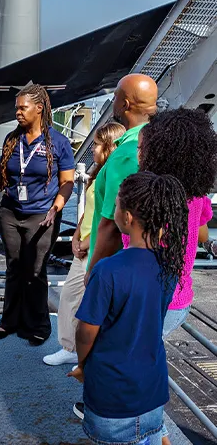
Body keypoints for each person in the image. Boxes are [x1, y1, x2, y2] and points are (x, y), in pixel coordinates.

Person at [69, 172, 189, 445]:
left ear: (129, 217)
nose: (114, 210)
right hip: (152, 394)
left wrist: (82, 364)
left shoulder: (108, 270)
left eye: (117, 205)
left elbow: (86, 331)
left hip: (113, 399)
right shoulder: (167, 266)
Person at [128, 108, 217, 445]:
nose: (138, 154)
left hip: (146, 302)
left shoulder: (144, 195)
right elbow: (204, 229)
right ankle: (158, 432)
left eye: (141, 148)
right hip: (179, 300)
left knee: (134, 379)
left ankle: (148, 434)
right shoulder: (195, 194)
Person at [0, 84, 75, 345]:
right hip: (11, 213)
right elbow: (3, 179)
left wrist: (56, 207)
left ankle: (39, 324)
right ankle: (9, 320)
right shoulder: (12, 140)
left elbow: (67, 182)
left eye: (22, 108)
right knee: (14, 269)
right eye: (16, 108)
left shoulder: (58, 143)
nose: (17, 112)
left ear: (39, 108)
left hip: (43, 215)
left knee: (36, 271)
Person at [43, 122, 125, 366]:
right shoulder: (99, 172)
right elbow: (91, 209)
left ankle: (83, 351)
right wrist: (78, 234)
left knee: (88, 302)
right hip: (85, 244)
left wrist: (88, 242)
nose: (94, 149)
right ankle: (70, 346)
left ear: (110, 146)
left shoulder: (113, 174)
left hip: (97, 248)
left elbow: (108, 216)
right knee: (70, 296)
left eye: (98, 145)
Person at [86, 73, 158, 281]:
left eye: (116, 96)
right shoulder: (156, 142)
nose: (112, 100)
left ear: (125, 104)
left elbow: (111, 225)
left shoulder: (127, 153)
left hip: (116, 270)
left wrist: (93, 272)